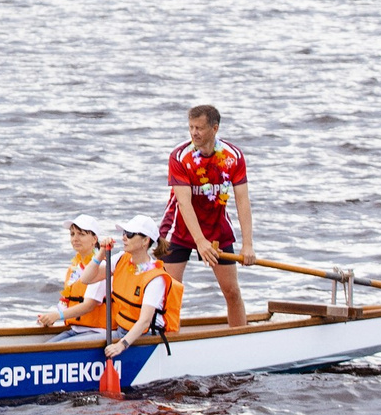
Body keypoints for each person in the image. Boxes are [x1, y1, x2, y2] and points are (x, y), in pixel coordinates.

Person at [161, 104, 253, 327]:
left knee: (232, 292)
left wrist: (248, 245)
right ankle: (166, 344)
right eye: (191, 127)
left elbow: (242, 200)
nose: (194, 133)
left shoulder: (234, 156)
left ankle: (241, 340)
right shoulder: (179, 157)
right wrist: (199, 242)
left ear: (215, 128)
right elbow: (184, 202)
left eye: (199, 128)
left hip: (216, 229)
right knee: (169, 295)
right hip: (178, 229)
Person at [103, 215, 183, 360]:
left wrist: (121, 345)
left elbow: (144, 321)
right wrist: (102, 252)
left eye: (130, 234)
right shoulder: (121, 258)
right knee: (70, 342)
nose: (124, 238)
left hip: (143, 336)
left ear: (145, 241)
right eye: (124, 233)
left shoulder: (155, 278)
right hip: (121, 330)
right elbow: (86, 279)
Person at [39, 214, 111, 331]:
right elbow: (65, 301)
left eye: (81, 234)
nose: (75, 239)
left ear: (94, 239)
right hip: (75, 329)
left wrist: (57, 316)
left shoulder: (102, 268)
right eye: (72, 234)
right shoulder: (73, 268)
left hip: (95, 331)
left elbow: (88, 305)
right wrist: (48, 318)